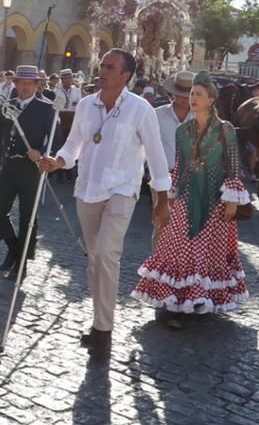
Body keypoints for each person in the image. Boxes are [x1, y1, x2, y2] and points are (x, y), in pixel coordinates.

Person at [38, 49, 172, 362]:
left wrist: (162, 200)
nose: (102, 71)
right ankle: (100, 322)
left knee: (106, 254)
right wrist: (58, 161)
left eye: (110, 67)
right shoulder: (85, 104)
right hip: (87, 189)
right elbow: (73, 145)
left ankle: (103, 331)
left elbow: (156, 156)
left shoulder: (141, 110)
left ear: (126, 75)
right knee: (94, 261)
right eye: (102, 66)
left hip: (123, 190)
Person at [132, 72, 251, 327]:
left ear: (211, 99)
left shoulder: (225, 129)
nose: (192, 98)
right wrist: (171, 197)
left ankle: (201, 299)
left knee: (207, 250)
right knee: (178, 246)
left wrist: (232, 199)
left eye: (198, 94)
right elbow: (182, 165)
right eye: (191, 93)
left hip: (215, 198)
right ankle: (175, 303)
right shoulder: (182, 130)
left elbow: (232, 165)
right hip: (186, 196)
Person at [0, 65, 55, 274]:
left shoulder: (46, 108)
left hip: (31, 170)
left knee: (27, 218)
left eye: (29, 83)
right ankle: (15, 249)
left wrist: (41, 152)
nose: (24, 87)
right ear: (15, 84)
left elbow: (56, 140)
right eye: (20, 83)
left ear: (36, 85)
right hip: (9, 167)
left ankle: (21, 264)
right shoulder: (9, 105)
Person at [152, 70, 194, 170]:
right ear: (174, 94)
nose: (186, 98)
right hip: (161, 176)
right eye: (182, 95)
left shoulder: (201, 118)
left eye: (190, 94)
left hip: (193, 179)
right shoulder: (156, 115)